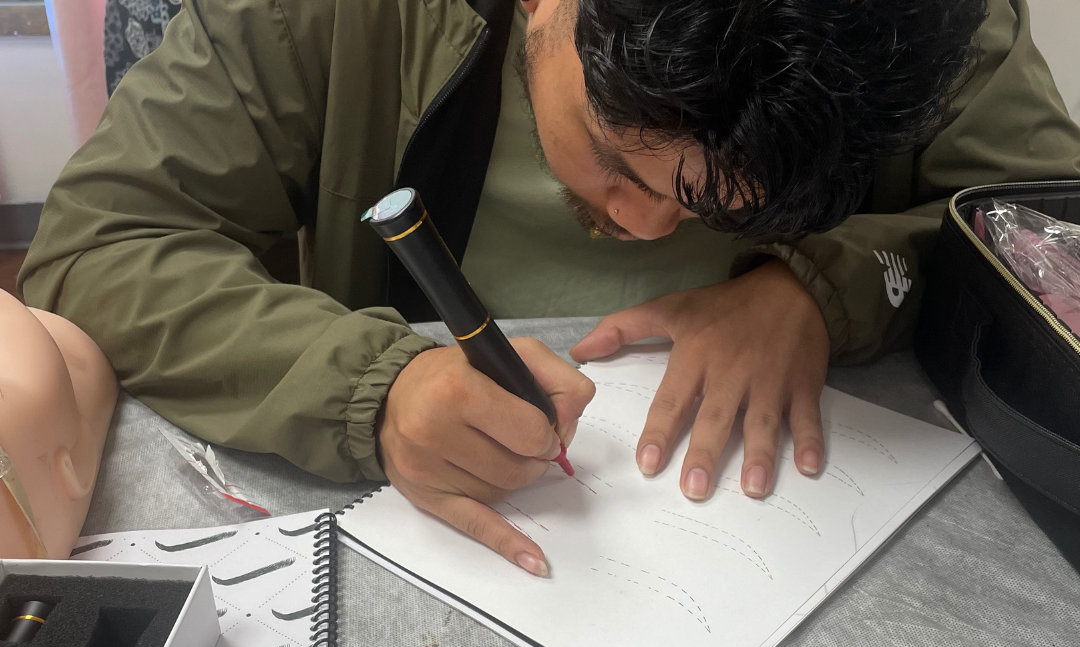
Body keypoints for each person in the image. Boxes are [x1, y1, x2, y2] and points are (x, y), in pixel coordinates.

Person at [19, 0, 1080, 575]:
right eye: (617, 158)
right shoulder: (323, 15)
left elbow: (1050, 222)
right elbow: (105, 236)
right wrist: (371, 383)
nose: (644, 224)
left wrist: (815, 281)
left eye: (731, 209)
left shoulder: (932, 26)